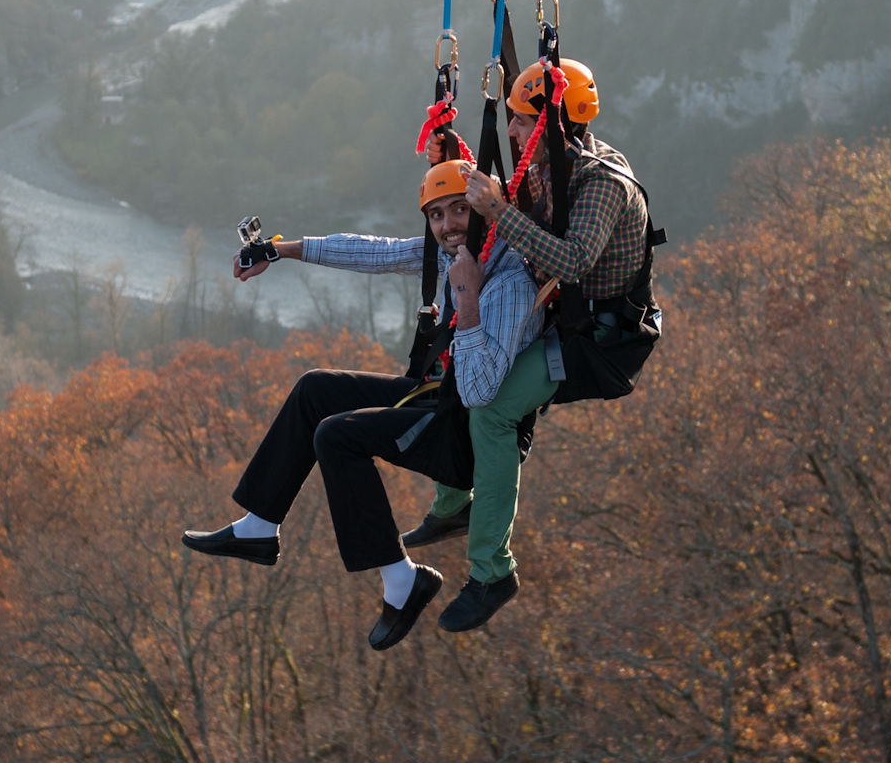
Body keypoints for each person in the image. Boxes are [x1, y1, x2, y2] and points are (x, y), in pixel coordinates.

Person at [182, 159, 544, 650]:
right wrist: (282, 250)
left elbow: (481, 393)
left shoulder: (505, 279)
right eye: (436, 215)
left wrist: (469, 299)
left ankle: (401, 580)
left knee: (337, 436)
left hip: (461, 438)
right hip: (441, 401)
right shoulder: (466, 254)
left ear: (487, 206)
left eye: (460, 209)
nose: (448, 225)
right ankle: (259, 526)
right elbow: (377, 253)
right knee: (317, 388)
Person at [439, 55, 657, 629]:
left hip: (601, 343)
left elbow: (575, 260)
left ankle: (490, 571)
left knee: (490, 410)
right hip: (570, 322)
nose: (511, 134)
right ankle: (450, 504)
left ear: (552, 126)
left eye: (518, 122)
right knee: (466, 369)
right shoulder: (554, 167)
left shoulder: (601, 183)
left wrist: (499, 212)